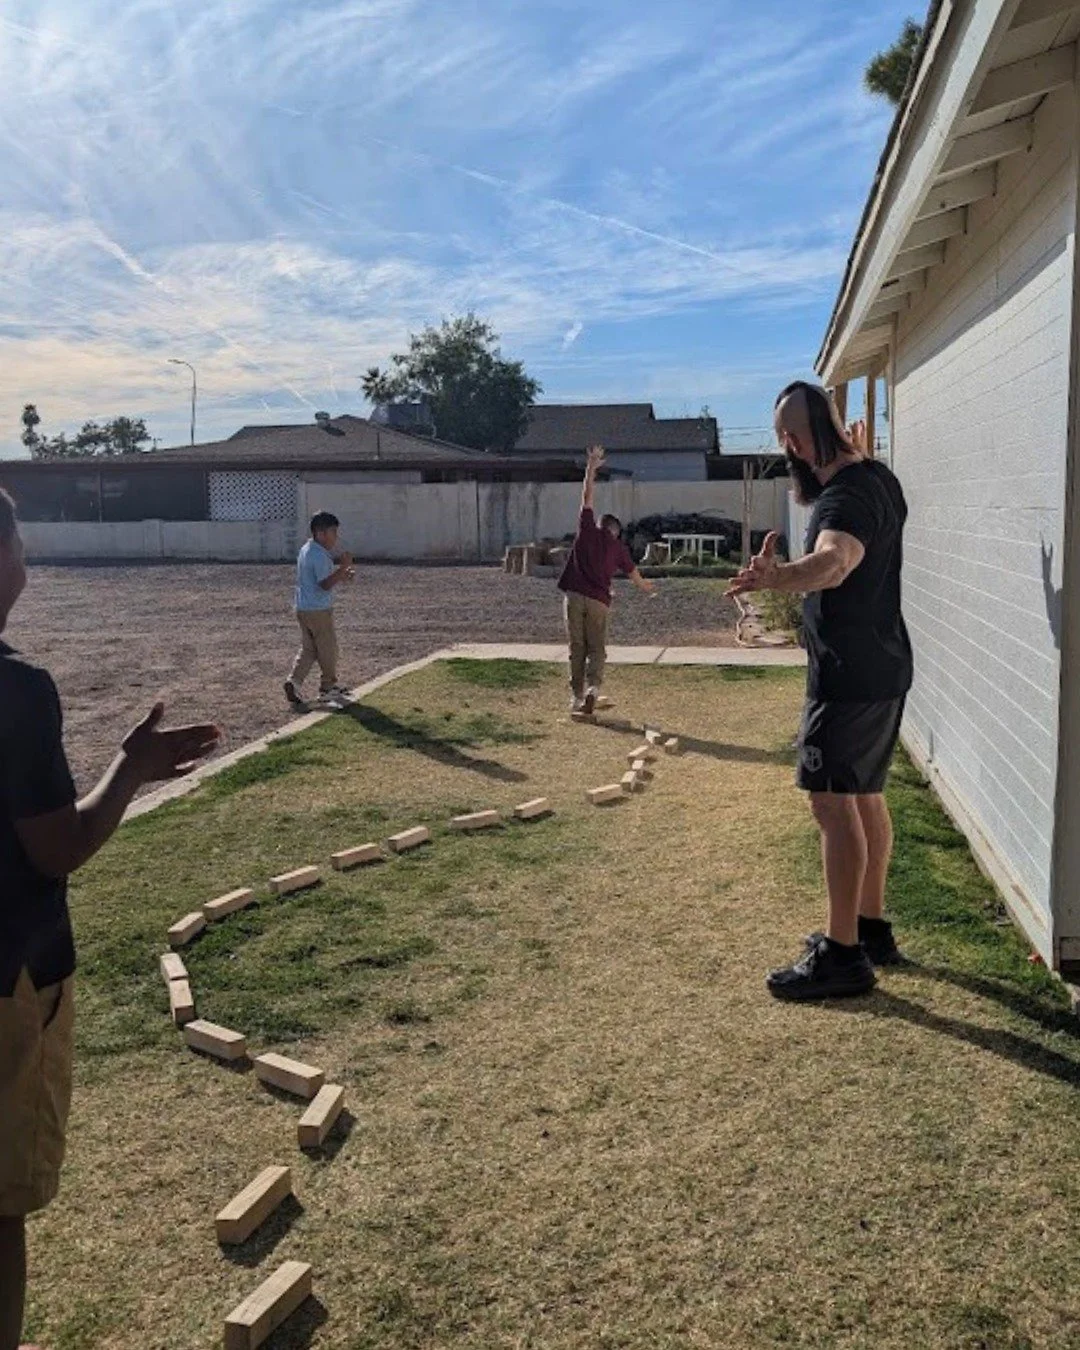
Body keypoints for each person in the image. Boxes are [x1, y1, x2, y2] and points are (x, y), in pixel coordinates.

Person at [0, 489, 220, 1349]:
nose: (27, 558)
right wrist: (129, 768)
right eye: (18, 539)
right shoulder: (16, 691)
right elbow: (57, 847)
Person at [726, 381, 913, 1001]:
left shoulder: (842, 501)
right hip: (882, 669)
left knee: (832, 805)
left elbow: (835, 563)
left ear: (793, 441)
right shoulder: (878, 480)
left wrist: (778, 578)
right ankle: (868, 928)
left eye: (787, 436)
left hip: (849, 678)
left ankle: (842, 957)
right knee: (862, 798)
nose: (787, 447)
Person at [558, 445, 657, 716]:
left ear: (600, 524)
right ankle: (593, 689)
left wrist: (591, 468)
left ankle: (577, 697)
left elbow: (586, 495)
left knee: (576, 647)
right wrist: (647, 588)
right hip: (599, 602)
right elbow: (633, 573)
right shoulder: (618, 548)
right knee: (597, 648)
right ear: (616, 530)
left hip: (574, 596)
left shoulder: (587, 529)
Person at [283, 511, 355, 708]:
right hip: (319, 610)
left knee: (309, 649)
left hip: (303, 608)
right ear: (321, 533)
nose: (336, 537)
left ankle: (294, 681)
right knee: (328, 648)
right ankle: (328, 687)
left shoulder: (307, 549)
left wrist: (341, 574)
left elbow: (321, 579)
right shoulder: (319, 555)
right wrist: (343, 569)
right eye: (333, 532)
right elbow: (324, 584)